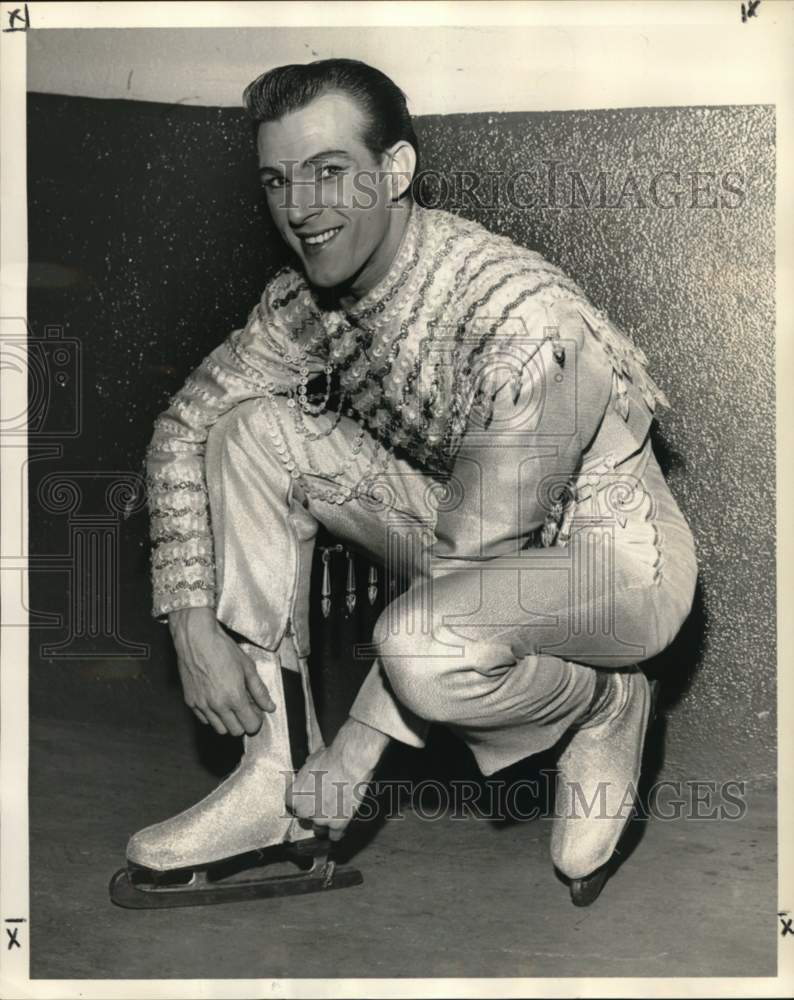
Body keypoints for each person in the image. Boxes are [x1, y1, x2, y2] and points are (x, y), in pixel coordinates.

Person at [123, 58, 697, 904]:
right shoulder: (306, 306)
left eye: (330, 173)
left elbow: (471, 564)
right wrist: (190, 620)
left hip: (612, 560)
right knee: (248, 432)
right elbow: (185, 427)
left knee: (424, 645)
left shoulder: (524, 321)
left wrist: (355, 750)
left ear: (395, 172)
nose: (301, 208)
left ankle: (601, 701)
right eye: (279, 180)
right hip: (475, 530)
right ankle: (268, 780)